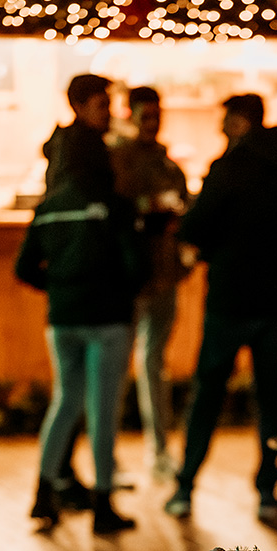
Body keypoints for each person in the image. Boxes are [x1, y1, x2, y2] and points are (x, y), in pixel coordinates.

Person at [164, 94, 277, 522]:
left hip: (231, 298)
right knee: (269, 397)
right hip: (276, 299)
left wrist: (206, 243)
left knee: (208, 393)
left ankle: (185, 485)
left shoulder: (230, 167)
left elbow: (197, 226)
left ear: (239, 121)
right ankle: (267, 489)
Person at [17, 75, 146, 535]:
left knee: (64, 403)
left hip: (63, 316)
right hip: (106, 316)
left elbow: (24, 268)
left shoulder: (49, 204)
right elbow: (134, 266)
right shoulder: (113, 205)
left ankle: (43, 494)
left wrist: (58, 285)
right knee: (102, 409)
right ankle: (104, 504)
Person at [110, 86, 189, 482]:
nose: (153, 123)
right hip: (127, 276)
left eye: (157, 115)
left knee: (153, 364)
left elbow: (185, 209)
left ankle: (158, 452)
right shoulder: (117, 159)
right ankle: (109, 458)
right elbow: (117, 209)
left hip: (162, 272)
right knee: (119, 366)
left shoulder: (165, 162)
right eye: (146, 115)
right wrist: (150, 206)